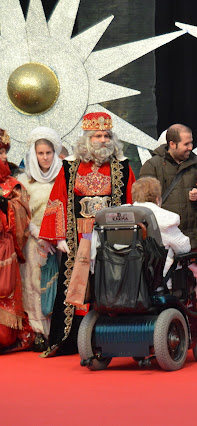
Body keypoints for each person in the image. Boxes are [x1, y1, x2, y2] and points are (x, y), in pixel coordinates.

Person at [39, 112, 135, 357]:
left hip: (110, 238)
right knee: (78, 286)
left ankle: (111, 335)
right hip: (80, 239)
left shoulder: (122, 167)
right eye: (97, 136)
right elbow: (58, 201)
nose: (103, 140)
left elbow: (131, 204)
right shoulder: (69, 168)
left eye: (106, 135)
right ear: (86, 139)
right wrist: (59, 237)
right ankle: (74, 338)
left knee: (109, 283)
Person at [139, 124, 197, 354]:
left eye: (191, 142)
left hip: (194, 234)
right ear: (171, 144)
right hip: (162, 239)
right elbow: (143, 198)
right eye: (186, 143)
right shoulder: (152, 165)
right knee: (161, 286)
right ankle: (164, 336)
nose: (190, 147)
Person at [16, 127, 64, 351]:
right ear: (33, 155)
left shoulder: (64, 177)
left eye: (49, 153)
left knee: (59, 285)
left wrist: (56, 236)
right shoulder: (24, 182)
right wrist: (40, 234)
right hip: (34, 243)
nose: (45, 158)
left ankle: (58, 331)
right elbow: (21, 214)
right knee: (33, 285)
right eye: (41, 153)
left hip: (61, 242)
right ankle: (37, 332)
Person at [0, 128, 33, 354]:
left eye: (4, 152)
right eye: (0, 152)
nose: (3, 157)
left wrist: (6, 207)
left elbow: (23, 216)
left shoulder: (13, 185)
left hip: (3, 249)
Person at [130, 177, 192, 283]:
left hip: (123, 283)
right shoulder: (166, 218)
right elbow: (184, 248)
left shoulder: (119, 215)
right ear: (158, 198)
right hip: (157, 282)